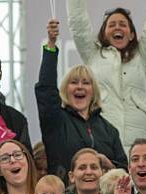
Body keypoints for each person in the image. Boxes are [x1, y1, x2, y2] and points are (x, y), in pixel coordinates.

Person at [67, 0, 146, 152]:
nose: (117, 27)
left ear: (131, 34)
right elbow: (78, 23)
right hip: (103, 144)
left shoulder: (141, 57)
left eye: (123, 24)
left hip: (136, 147)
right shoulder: (93, 55)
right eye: (112, 25)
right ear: (103, 34)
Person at [36, 18, 127, 182]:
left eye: (86, 83)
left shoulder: (109, 130)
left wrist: (109, 165)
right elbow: (46, 90)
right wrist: (51, 45)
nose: (80, 87)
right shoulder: (56, 121)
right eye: (74, 82)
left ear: (94, 91)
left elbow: (124, 170)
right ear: (65, 89)